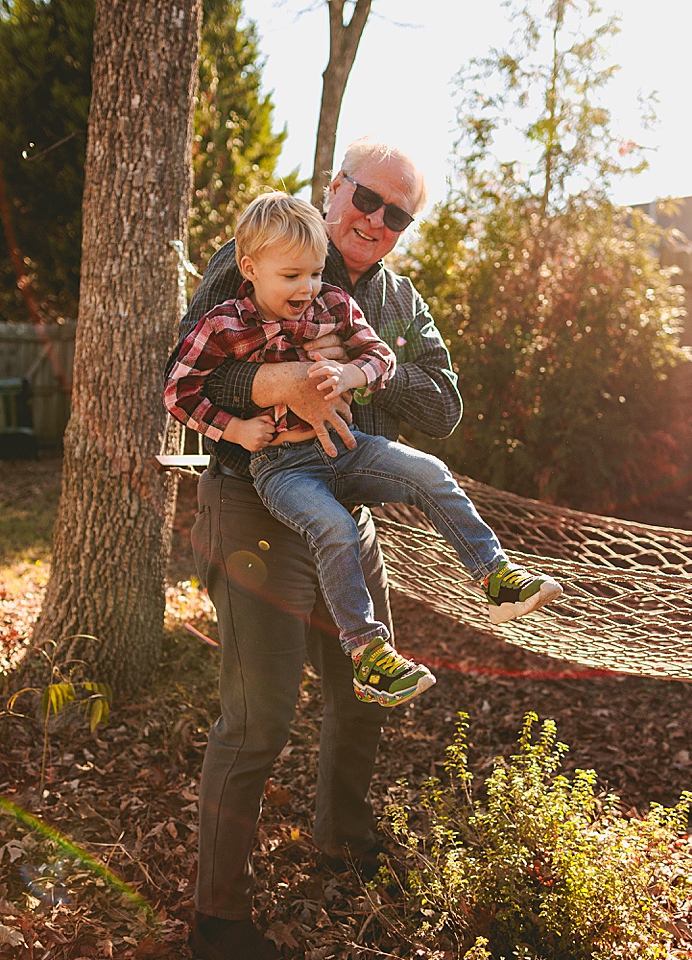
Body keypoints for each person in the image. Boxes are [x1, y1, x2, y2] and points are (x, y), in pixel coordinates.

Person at [173, 138, 463, 960]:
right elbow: (184, 371)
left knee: (365, 689)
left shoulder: (400, 303)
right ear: (335, 187)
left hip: (350, 519)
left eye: (396, 213)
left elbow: (444, 408)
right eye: (366, 198)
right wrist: (270, 383)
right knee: (259, 714)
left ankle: (343, 838)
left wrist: (367, 372)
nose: (375, 220)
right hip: (254, 506)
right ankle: (219, 921)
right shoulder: (260, 252)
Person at [166, 191, 562, 712]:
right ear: (249, 268)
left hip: (349, 450)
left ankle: (494, 576)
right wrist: (235, 429)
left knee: (430, 472)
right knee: (334, 528)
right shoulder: (224, 322)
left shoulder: (340, 302)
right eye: (292, 277)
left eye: (313, 273)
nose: (307, 288)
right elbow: (180, 387)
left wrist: (352, 373)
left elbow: (386, 360)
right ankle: (368, 653)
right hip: (282, 468)